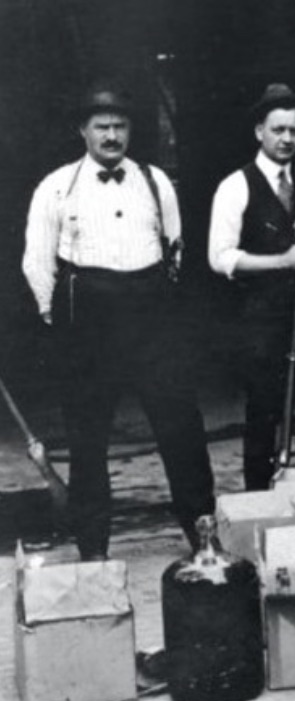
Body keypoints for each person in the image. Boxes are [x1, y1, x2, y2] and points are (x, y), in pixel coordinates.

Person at [21, 86, 216, 560]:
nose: (112, 136)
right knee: (87, 441)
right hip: (89, 322)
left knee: (182, 431)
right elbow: (37, 262)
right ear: (83, 131)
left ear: (130, 130)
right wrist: (59, 317)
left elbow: (175, 246)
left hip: (151, 316)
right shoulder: (56, 186)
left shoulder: (155, 180)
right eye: (102, 127)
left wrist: (155, 299)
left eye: (120, 126)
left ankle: (205, 542)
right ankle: (93, 554)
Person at [208, 83, 295, 490]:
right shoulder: (235, 186)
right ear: (259, 132)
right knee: (263, 412)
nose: (287, 139)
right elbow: (220, 257)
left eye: (294, 131)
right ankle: (259, 501)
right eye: (278, 130)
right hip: (262, 320)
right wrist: (282, 261)